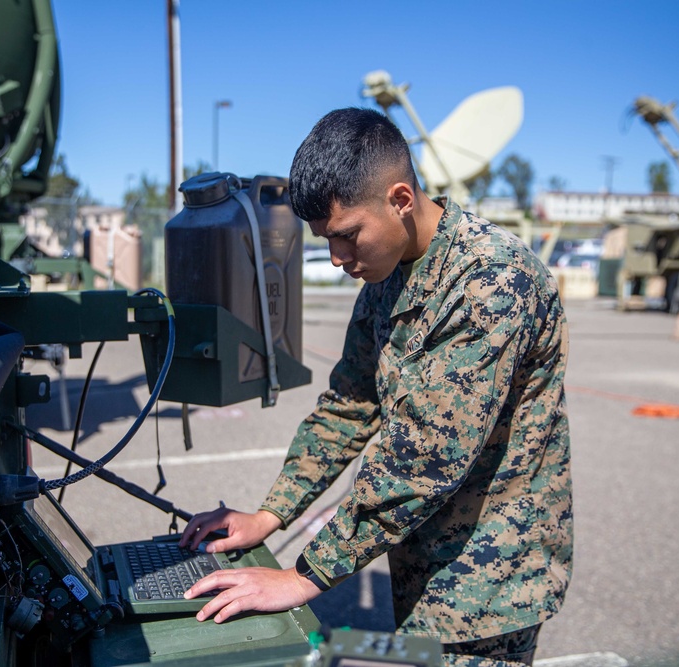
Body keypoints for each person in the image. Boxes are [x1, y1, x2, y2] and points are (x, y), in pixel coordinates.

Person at [179, 107, 573, 667]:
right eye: (325, 241)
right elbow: (349, 405)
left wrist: (304, 576)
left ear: (401, 200)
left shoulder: (493, 283)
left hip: (490, 577)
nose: (338, 259)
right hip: (423, 557)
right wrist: (271, 514)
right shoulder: (388, 275)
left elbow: (426, 459)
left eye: (346, 236)